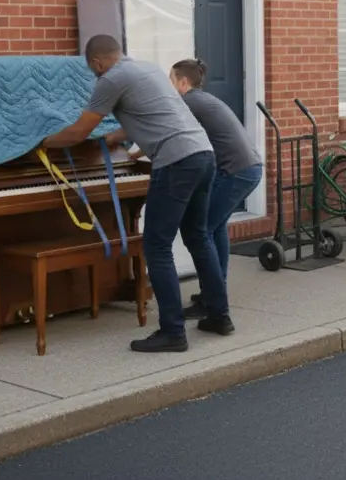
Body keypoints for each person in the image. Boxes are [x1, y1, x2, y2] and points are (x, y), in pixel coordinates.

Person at [42, 35, 233, 353]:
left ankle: (173, 331)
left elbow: (79, 131)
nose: (95, 76)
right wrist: (114, 138)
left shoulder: (111, 79)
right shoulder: (148, 69)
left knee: (156, 246)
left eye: (93, 71)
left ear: (97, 63)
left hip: (176, 162)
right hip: (203, 154)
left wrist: (42, 144)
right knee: (198, 236)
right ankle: (219, 315)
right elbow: (146, 118)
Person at [154, 59, 263, 319]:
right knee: (215, 228)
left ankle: (212, 297)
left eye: (171, 81)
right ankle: (216, 290)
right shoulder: (204, 100)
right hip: (249, 169)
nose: (170, 88)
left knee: (201, 231)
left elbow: (168, 134)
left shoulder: (188, 103)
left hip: (235, 172)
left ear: (183, 82)